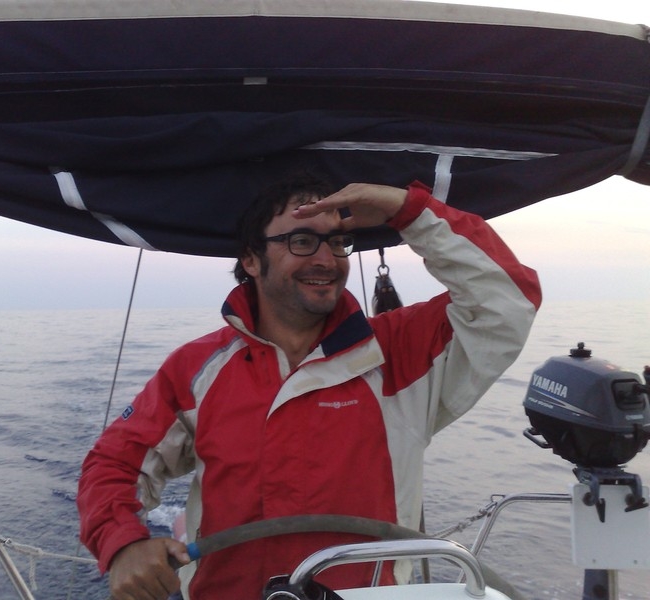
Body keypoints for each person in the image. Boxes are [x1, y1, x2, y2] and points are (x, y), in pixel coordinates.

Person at [77, 173, 542, 600]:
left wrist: (407, 209)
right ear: (251, 260)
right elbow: (114, 462)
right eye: (302, 241)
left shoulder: (400, 351)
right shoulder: (196, 368)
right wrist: (123, 543)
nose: (326, 259)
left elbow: (508, 299)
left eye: (337, 243)